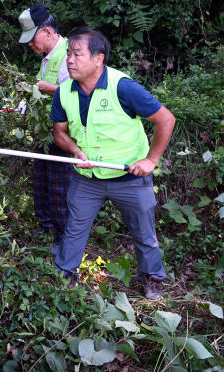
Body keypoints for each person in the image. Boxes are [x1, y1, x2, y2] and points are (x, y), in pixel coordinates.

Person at [51, 27, 175, 299]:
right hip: (88, 179)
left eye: (77, 55)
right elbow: (59, 131)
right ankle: (64, 280)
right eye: (68, 54)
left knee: (144, 233)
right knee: (74, 229)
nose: (69, 60)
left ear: (99, 59)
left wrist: (151, 159)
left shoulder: (123, 87)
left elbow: (166, 119)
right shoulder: (63, 93)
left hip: (130, 178)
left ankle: (152, 278)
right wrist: (74, 150)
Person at [18, 4, 72, 251]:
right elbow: (43, 85)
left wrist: (49, 90)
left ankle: (65, 238)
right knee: (41, 180)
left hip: (66, 133)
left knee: (61, 186)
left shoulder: (72, 54)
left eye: (33, 38)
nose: (30, 44)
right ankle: (46, 227)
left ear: (48, 32)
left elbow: (83, 94)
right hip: (45, 131)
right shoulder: (47, 57)